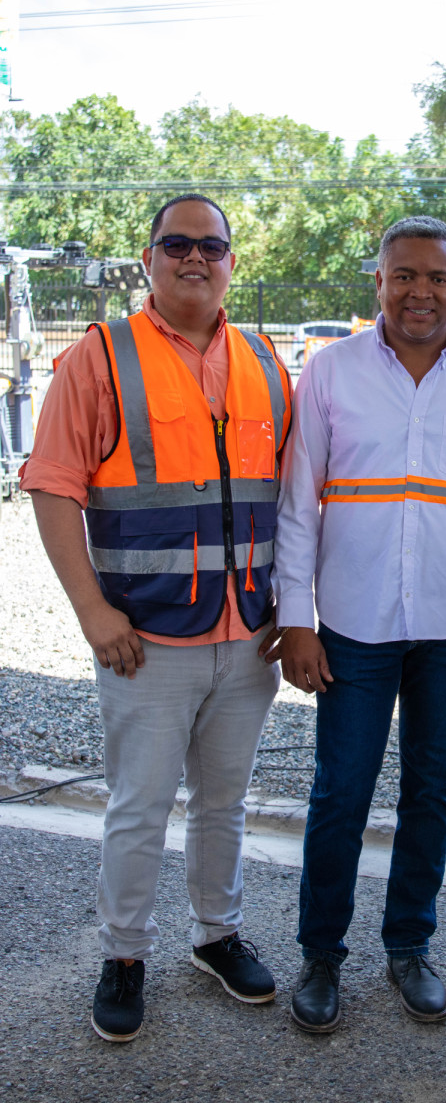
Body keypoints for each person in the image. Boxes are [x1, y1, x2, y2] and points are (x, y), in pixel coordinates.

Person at [20, 194, 292, 1043]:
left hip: (249, 633)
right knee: (139, 807)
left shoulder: (263, 358)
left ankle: (216, 936)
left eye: (210, 245)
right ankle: (124, 953)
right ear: (149, 259)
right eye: (176, 244)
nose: (194, 258)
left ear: (231, 263)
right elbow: (53, 484)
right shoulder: (100, 358)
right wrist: (92, 610)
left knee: (224, 804)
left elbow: (292, 497)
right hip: (145, 637)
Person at [270, 215, 446, 1033]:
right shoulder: (331, 372)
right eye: (405, 275)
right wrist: (296, 620)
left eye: (438, 278)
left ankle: (410, 945)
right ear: (378, 282)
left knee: (432, 791)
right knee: (340, 792)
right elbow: (297, 503)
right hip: (351, 623)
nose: (422, 292)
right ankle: (321, 954)